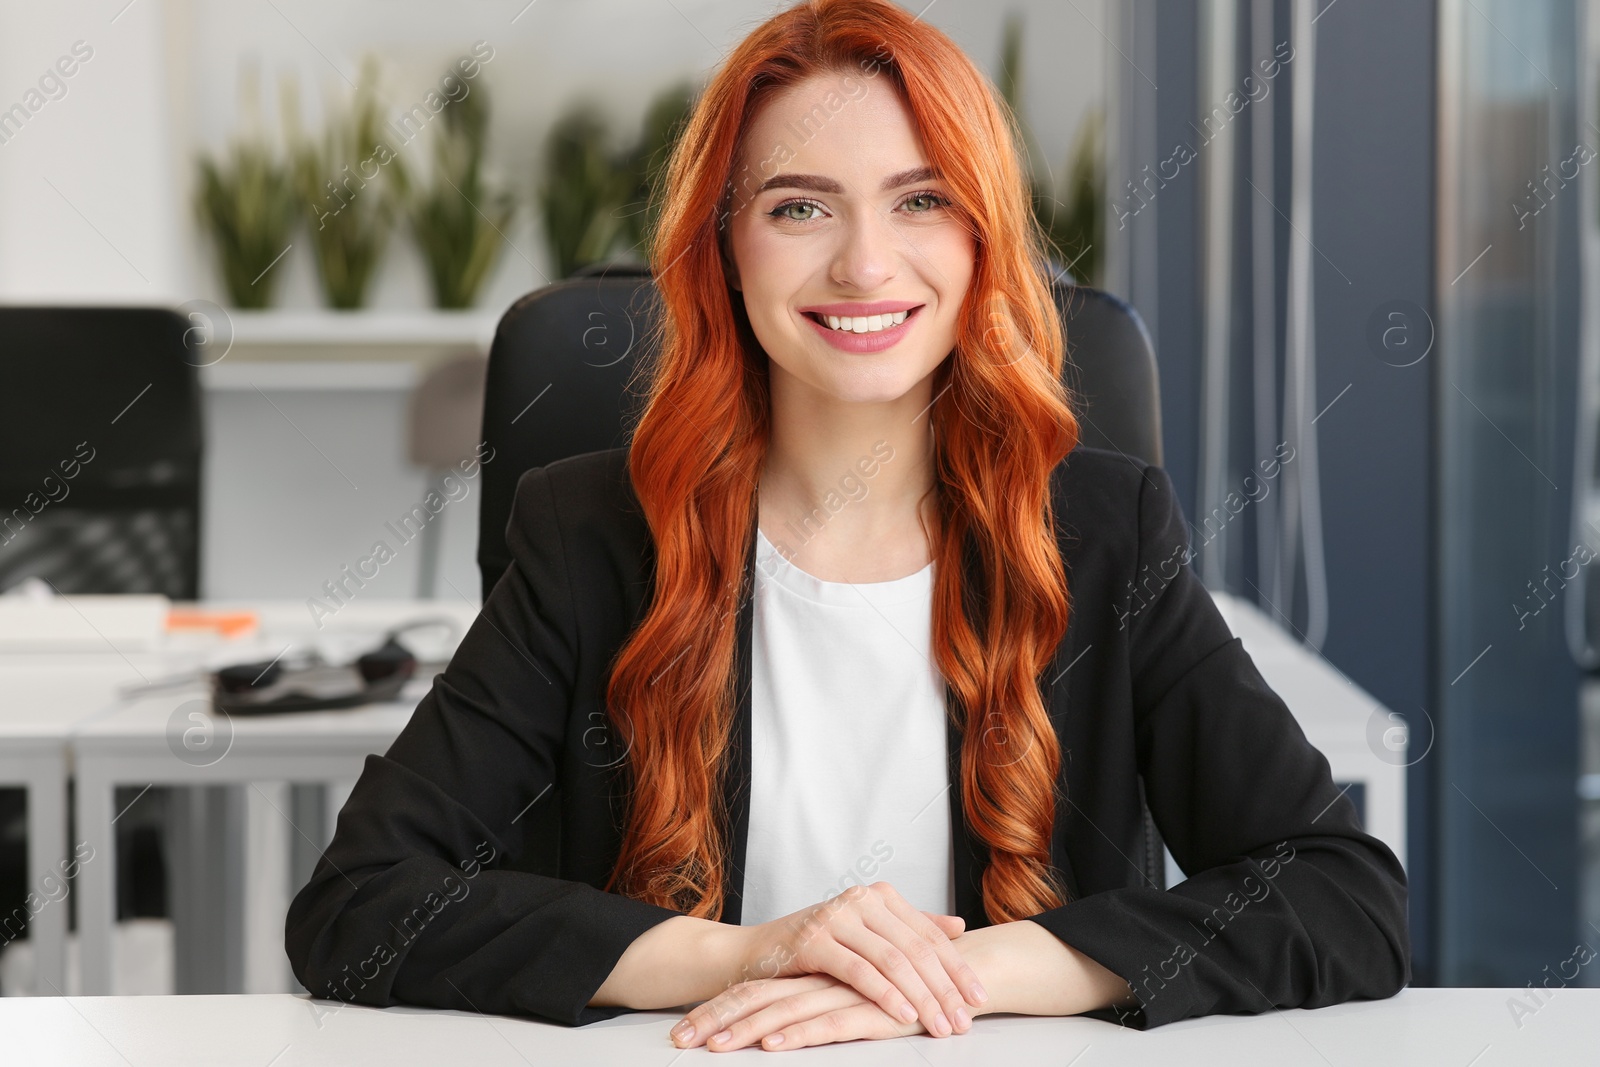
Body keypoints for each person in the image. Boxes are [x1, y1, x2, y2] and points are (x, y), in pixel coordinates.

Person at [285, 0, 1410, 1053]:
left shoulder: (1103, 529)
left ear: (981, 243)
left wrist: (966, 972)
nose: (864, 263)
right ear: (723, 247)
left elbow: (1340, 895)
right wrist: (747, 952)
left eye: (921, 200)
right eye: (799, 207)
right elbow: (361, 901)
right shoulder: (588, 533)